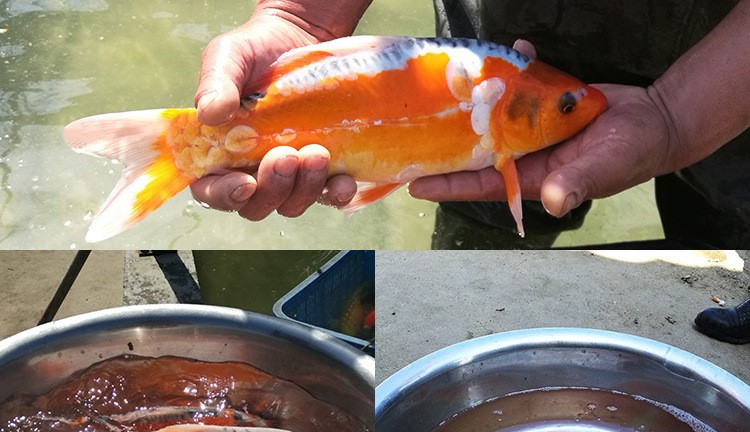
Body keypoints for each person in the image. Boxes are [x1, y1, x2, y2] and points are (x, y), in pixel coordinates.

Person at [191, 0, 750, 248]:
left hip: (733, 59)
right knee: (483, 231)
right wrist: (302, 14)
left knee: (730, 226)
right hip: (487, 44)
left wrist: (680, 118)